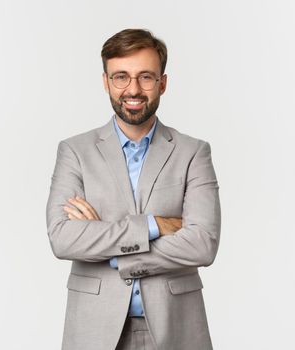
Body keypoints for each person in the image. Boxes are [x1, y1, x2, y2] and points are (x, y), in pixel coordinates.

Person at [46, 28, 221, 350]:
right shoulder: (75, 151)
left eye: (146, 77)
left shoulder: (193, 152)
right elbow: (62, 238)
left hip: (176, 325)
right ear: (105, 82)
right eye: (121, 77)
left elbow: (202, 244)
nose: (133, 89)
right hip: (94, 327)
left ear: (162, 83)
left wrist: (111, 249)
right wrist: (156, 225)